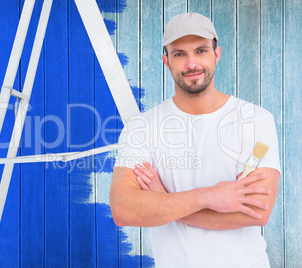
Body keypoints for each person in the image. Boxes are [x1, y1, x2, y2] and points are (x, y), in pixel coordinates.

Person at [109, 12, 281, 267]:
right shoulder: (142, 127)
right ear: (166, 62)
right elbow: (124, 210)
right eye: (180, 54)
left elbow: (257, 210)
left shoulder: (255, 120)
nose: (191, 63)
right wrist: (208, 196)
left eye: (201, 51)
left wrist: (164, 200)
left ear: (216, 54)